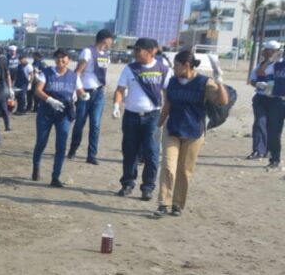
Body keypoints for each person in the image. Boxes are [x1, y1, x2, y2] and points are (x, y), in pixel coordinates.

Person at [153, 50, 229, 217]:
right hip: (172, 129)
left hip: (194, 132)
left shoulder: (204, 82)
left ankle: (177, 204)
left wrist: (219, 81)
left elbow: (222, 101)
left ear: (186, 65)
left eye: (176, 65)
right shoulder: (172, 82)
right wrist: (157, 127)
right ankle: (163, 203)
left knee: (185, 170)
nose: (174, 68)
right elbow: (167, 105)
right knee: (168, 166)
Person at [112, 38, 171, 200]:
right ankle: (127, 183)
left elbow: (168, 96)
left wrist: (165, 117)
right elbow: (120, 90)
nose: (135, 53)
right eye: (135, 50)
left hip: (153, 116)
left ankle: (148, 187)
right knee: (130, 151)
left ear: (152, 51)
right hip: (131, 115)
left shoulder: (164, 69)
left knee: (152, 152)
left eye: (139, 50)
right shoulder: (130, 69)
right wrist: (116, 105)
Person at [32, 49, 84, 186]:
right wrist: (49, 100)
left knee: (61, 146)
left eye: (63, 58)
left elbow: (80, 90)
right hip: (46, 113)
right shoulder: (47, 73)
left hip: (64, 114)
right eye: (58, 58)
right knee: (41, 142)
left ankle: (56, 177)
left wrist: (84, 95)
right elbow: (38, 90)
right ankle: (36, 166)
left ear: (69, 60)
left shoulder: (74, 76)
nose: (60, 61)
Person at [68, 29, 114, 165]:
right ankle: (73, 149)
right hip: (85, 92)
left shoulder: (106, 55)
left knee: (96, 124)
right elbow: (77, 72)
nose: (112, 42)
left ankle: (92, 155)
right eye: (111, 39)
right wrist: (77, 91)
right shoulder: (88, 52)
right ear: (105, 39)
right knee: (80, 123)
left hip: (98, 92)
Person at [247, 40, 281, 159]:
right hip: (261, 97)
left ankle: (270, 150)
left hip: (275, 99)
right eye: (267, 51)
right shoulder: (260, 65)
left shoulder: (280, 65)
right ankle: (258, 150)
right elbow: (252, 80)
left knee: (273, 126)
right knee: (260, 123)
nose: (267, 53)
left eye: (270, 51)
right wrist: (258, 84)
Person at [261, 41, 285, 170]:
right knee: (274, 132)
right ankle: (275, 159)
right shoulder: (276, 65)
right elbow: (267, 75)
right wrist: (272, 60)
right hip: (276, 101)